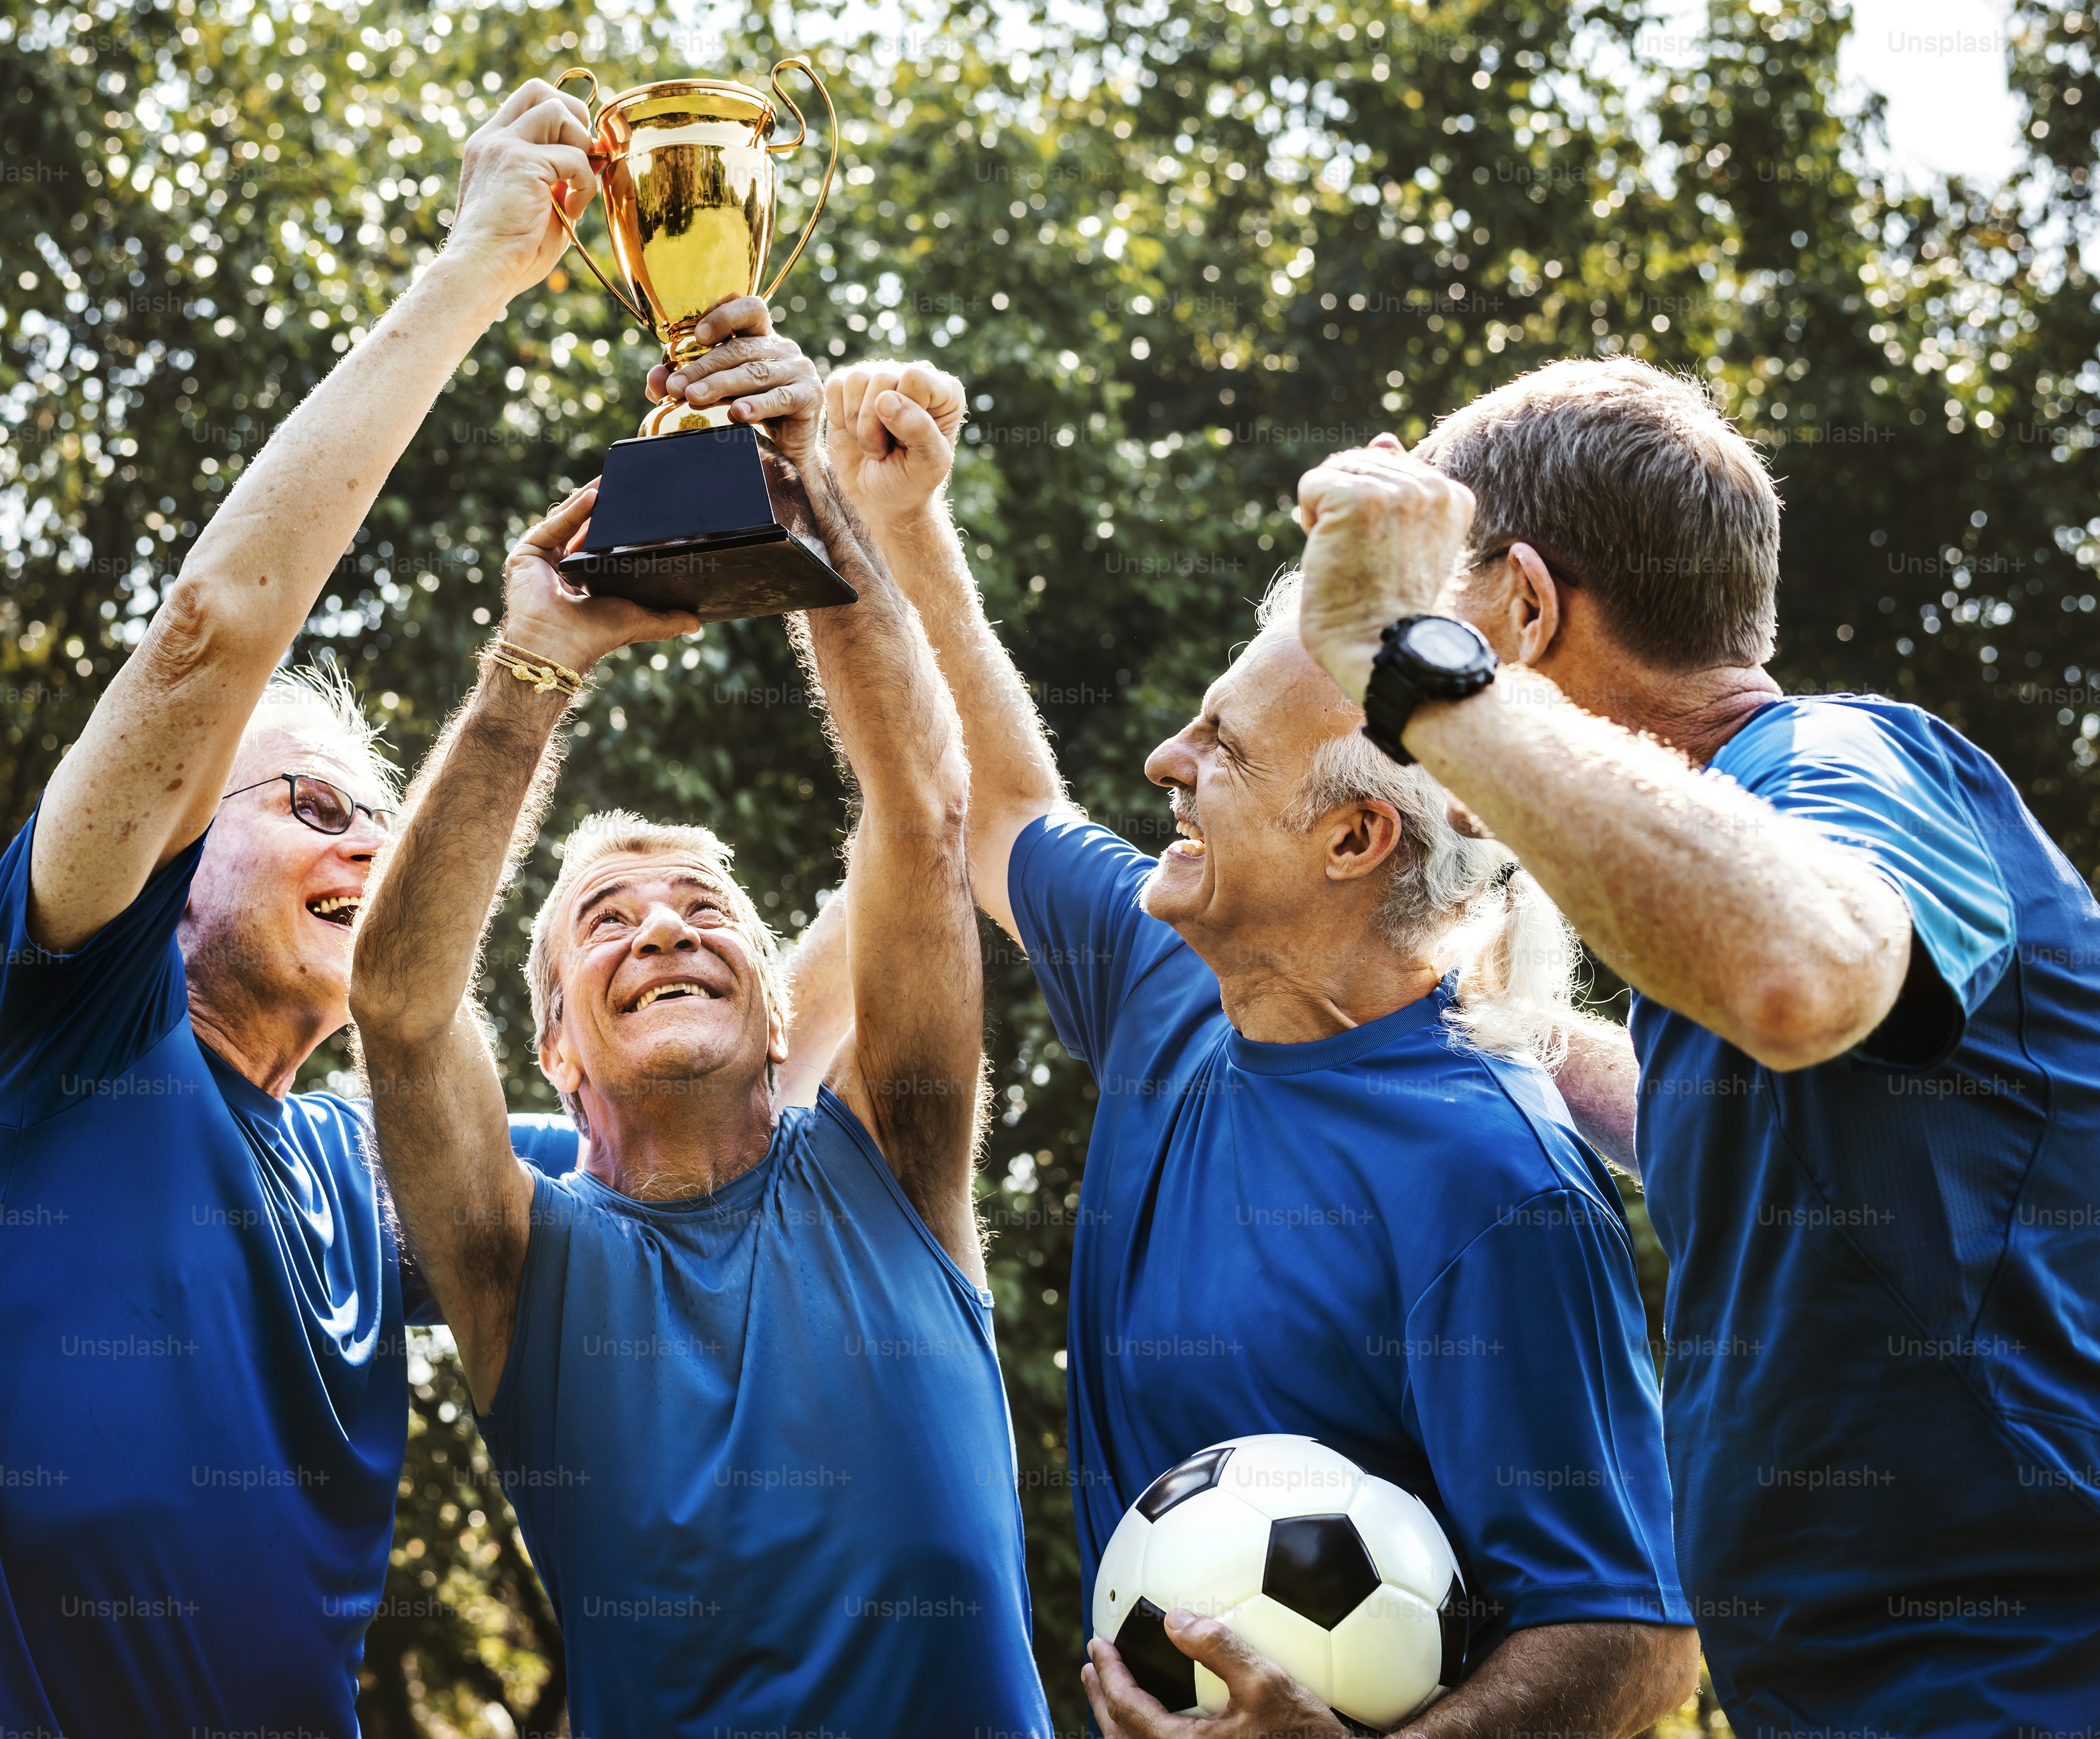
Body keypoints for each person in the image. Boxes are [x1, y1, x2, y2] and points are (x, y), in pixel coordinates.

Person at [676, 352, 1697, 1738]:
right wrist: (901, 520)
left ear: (1354, 837)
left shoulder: (1492, 1180)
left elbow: (1634, 1638)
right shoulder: (1174, 973)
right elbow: (999, 806)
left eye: (1221, 746)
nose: (1164, 757)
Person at [1292, 357, 2100, 1736]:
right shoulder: (1739, 867)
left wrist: (1411, 665)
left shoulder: (1841, 758)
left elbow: (1801, 973)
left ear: (1526, 611)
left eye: (1452, 603)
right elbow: (1739, 1110)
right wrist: (1493, 1020)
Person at [0, 77, 621, 1735]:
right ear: (178, 844)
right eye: (312, 805)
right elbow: (213, 627)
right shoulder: (60, 1020)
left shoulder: (364, 1162)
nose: (370, 846)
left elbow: (709, 1134)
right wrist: (483, 264)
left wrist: (856, 532)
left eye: (382, 814)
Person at [346, 322, 1054, 1737]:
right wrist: (532, 664)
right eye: (606, 920)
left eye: (702, 907)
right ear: (554, 1049)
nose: (663, 928)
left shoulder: (894, 1169)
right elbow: (402, 1004)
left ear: (784, 1006)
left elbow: (923, 812)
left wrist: (810, 496)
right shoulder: (518, 1271)